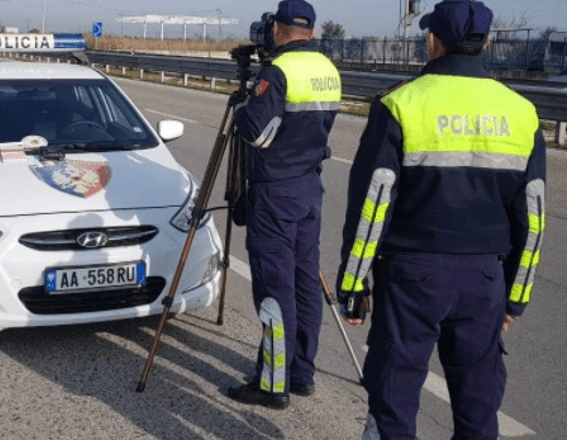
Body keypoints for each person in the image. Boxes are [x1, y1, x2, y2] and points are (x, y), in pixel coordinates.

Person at [335, 0, 546, 438]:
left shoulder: (400, 104)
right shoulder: (521, 113)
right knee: (478, 409)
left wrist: (354, 283)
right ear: (486, 42)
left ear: (433, 41)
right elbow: (534, 217)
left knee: (393, 404)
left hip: (412, 279)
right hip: (484, 281)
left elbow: (373, 206)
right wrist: (515, 297)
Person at [227, 0, 341, 409]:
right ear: (310, 30)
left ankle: (273, 383)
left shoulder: (278, 73)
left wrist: (242, 110)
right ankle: (301, 372)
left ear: (277, 28)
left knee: (275, 289)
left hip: (275, 190)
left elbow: (255, 132)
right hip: (310, 185)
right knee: (305, 280)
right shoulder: (328, 69)